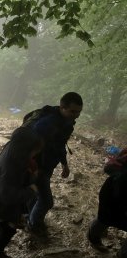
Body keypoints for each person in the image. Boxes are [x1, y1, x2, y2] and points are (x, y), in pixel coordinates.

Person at [0, 127, 42, 258]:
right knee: (11, 226)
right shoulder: (11, 167)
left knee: (11, 220)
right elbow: (8, 196)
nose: (35, 155)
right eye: (34, 152)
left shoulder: (12, 149)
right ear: (25, 149)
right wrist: (31, 190)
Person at [26, 92, 83, 234]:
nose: (76, 115)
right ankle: (33, 225)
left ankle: (29, 217)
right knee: (46, 201)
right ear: (62, 107)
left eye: (79, 112)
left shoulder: (66, 122)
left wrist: (64, 163)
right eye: (73, 111)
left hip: (47, 165)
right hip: (37, 166)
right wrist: (32, 167)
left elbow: (60, 144)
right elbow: (31, 146)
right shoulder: (46, 123)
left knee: (35, 195)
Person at [87, 148, 127, 258]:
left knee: (105, 218)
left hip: (111, 191)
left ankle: (93, 237)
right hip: (114, 193)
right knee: (105, 218)